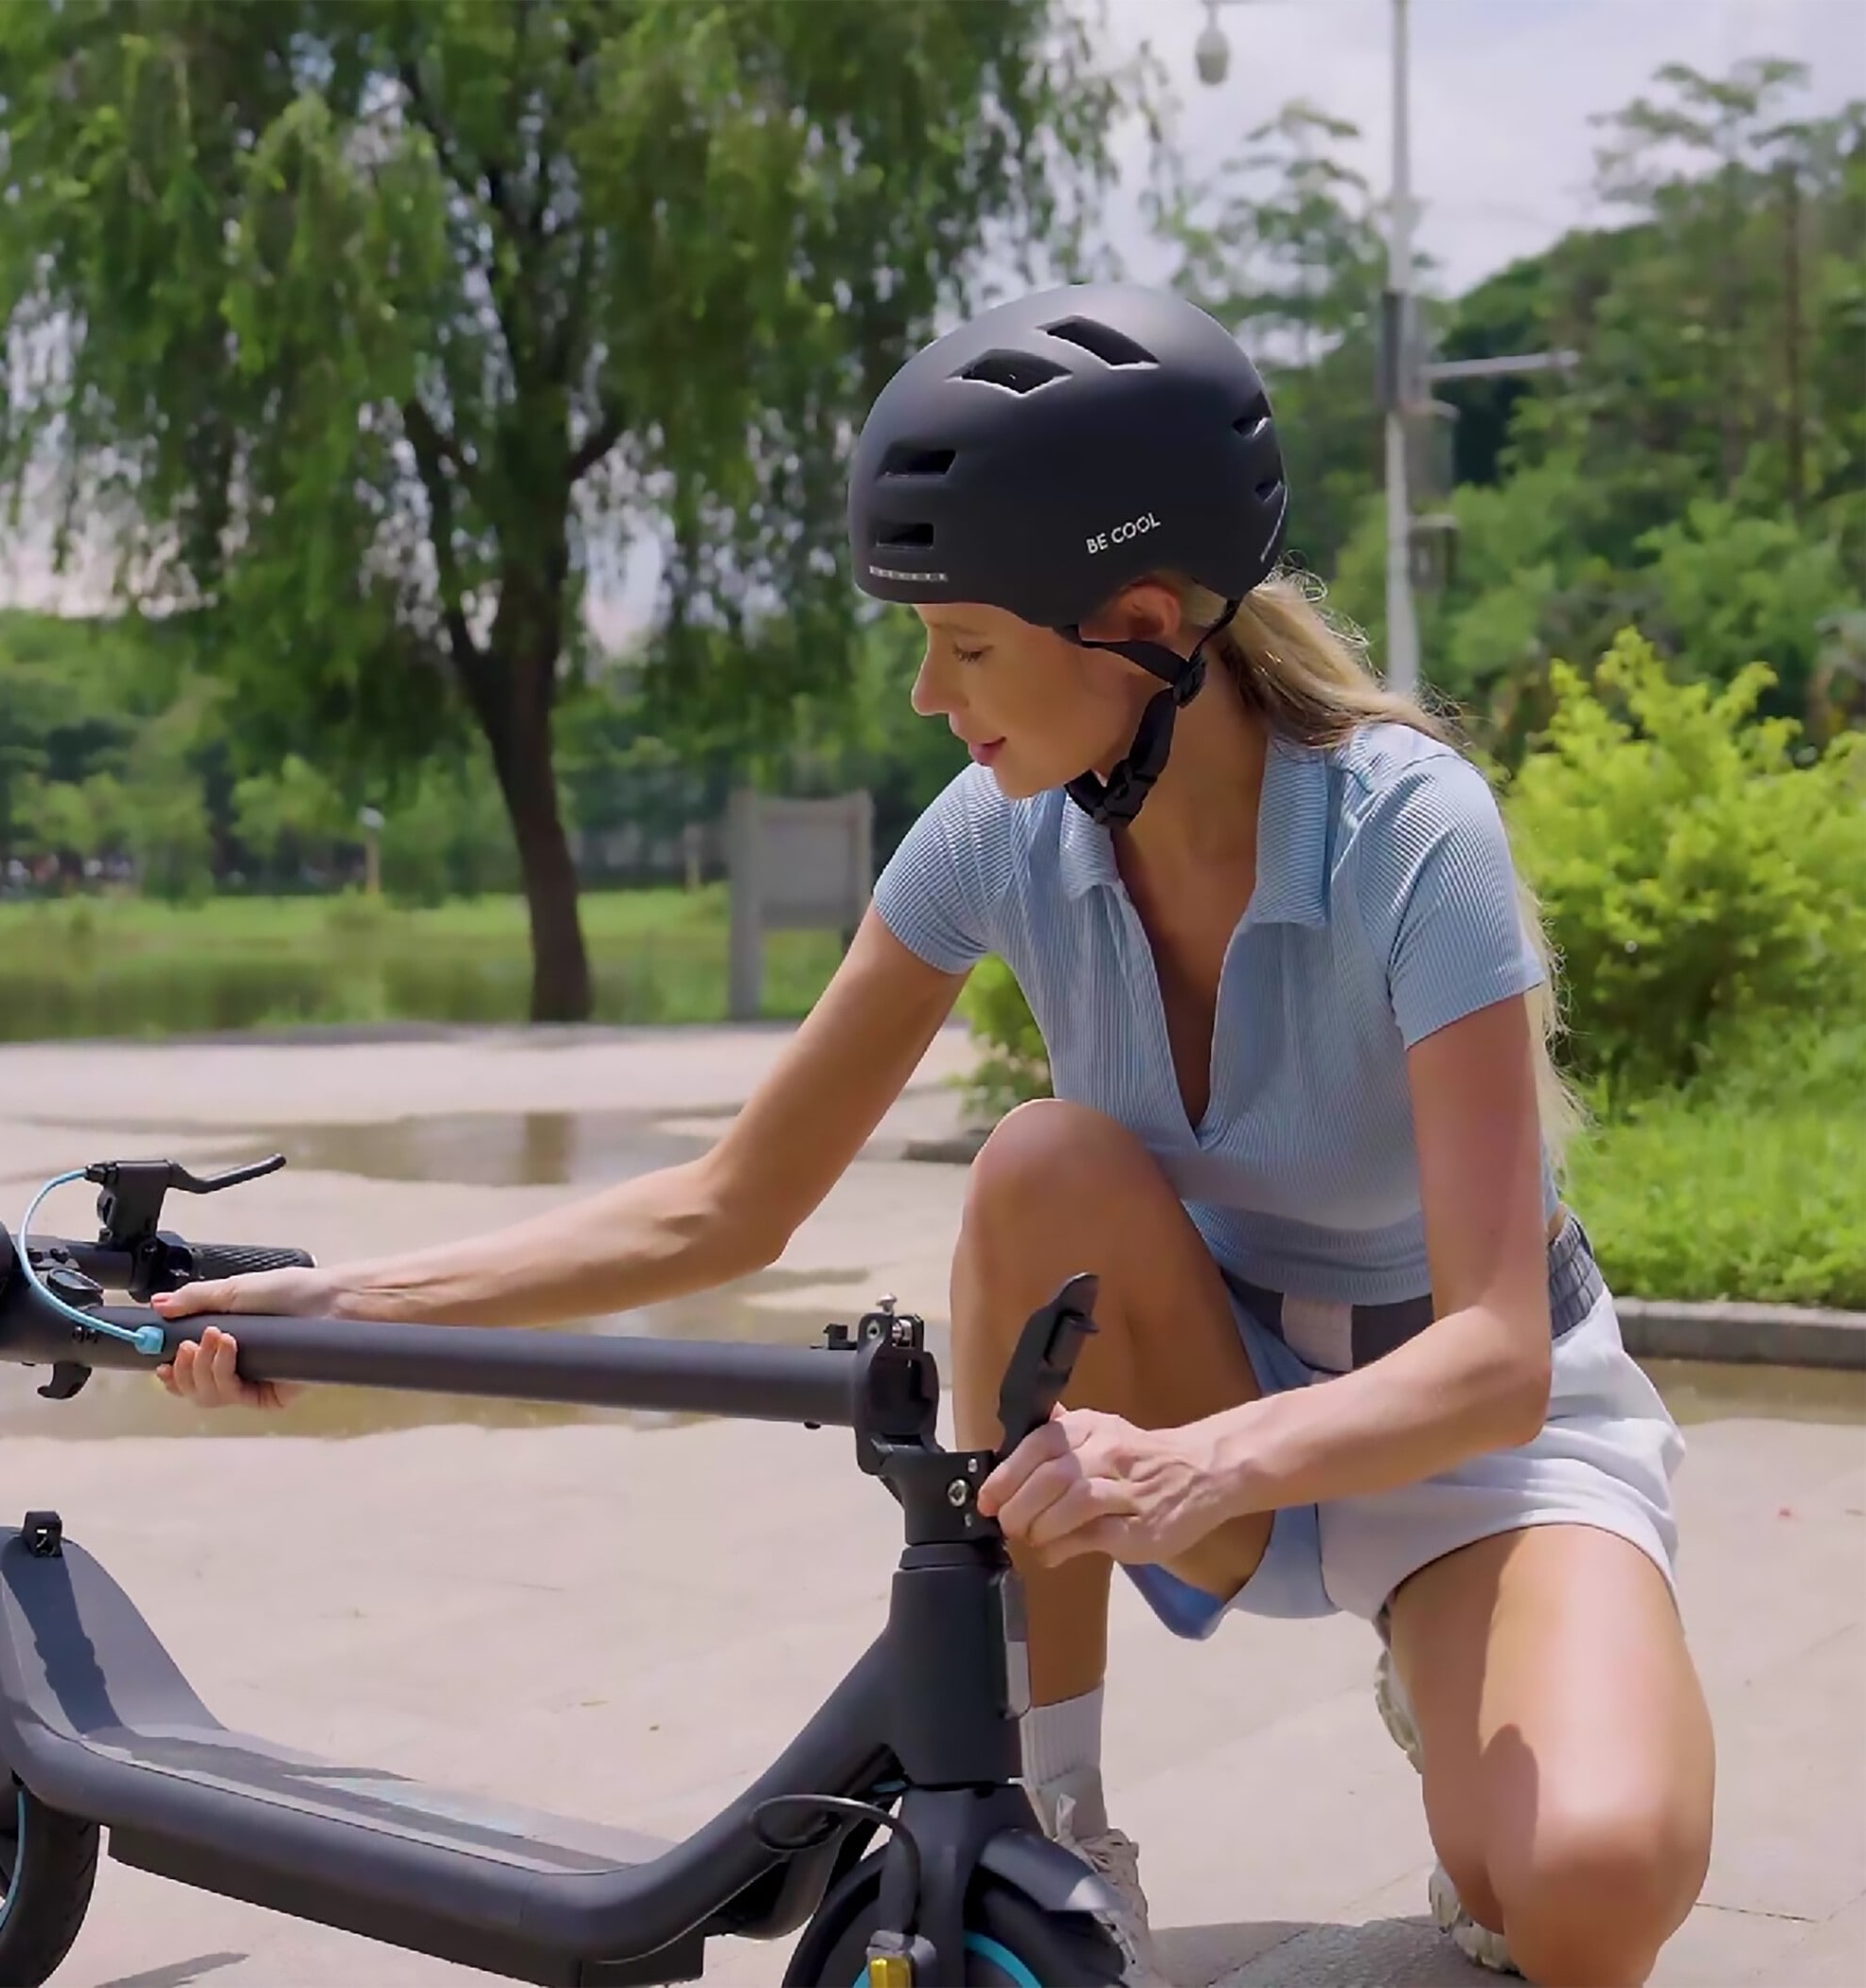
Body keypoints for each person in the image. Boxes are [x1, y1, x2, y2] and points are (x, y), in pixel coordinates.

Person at [153, 283, 1714, 1988]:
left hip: (1470, 1441)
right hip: (1198, 1405)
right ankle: (1059, 1825)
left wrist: (1206, 1460)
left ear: (1136, 626)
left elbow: (1496, 1355)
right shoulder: (994, 834)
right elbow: (726, 1208)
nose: (924, 694)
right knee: (1043, 1163)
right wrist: (340, 1306)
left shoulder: (1412, 833)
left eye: (964, 645)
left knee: (1589, 1889)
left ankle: (1457, 1667)